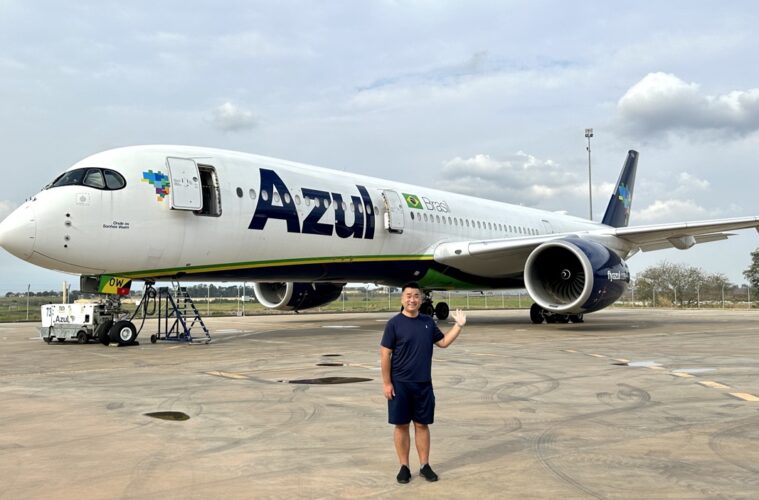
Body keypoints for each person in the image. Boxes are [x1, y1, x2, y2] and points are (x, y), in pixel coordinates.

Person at [380, 282, 466, 484]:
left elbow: (443, 343)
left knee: (422, 425)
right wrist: (387, 383)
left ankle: (425, 465)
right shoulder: (394, 324)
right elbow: (385, 354)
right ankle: (404, 467)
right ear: (402, 299)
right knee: (401, 426)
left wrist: (458, 325)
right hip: (400, 384)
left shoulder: (427, 322)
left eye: (416, 296)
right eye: (408, 295)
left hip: (423, 384)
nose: (412, 299)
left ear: (421, 299)